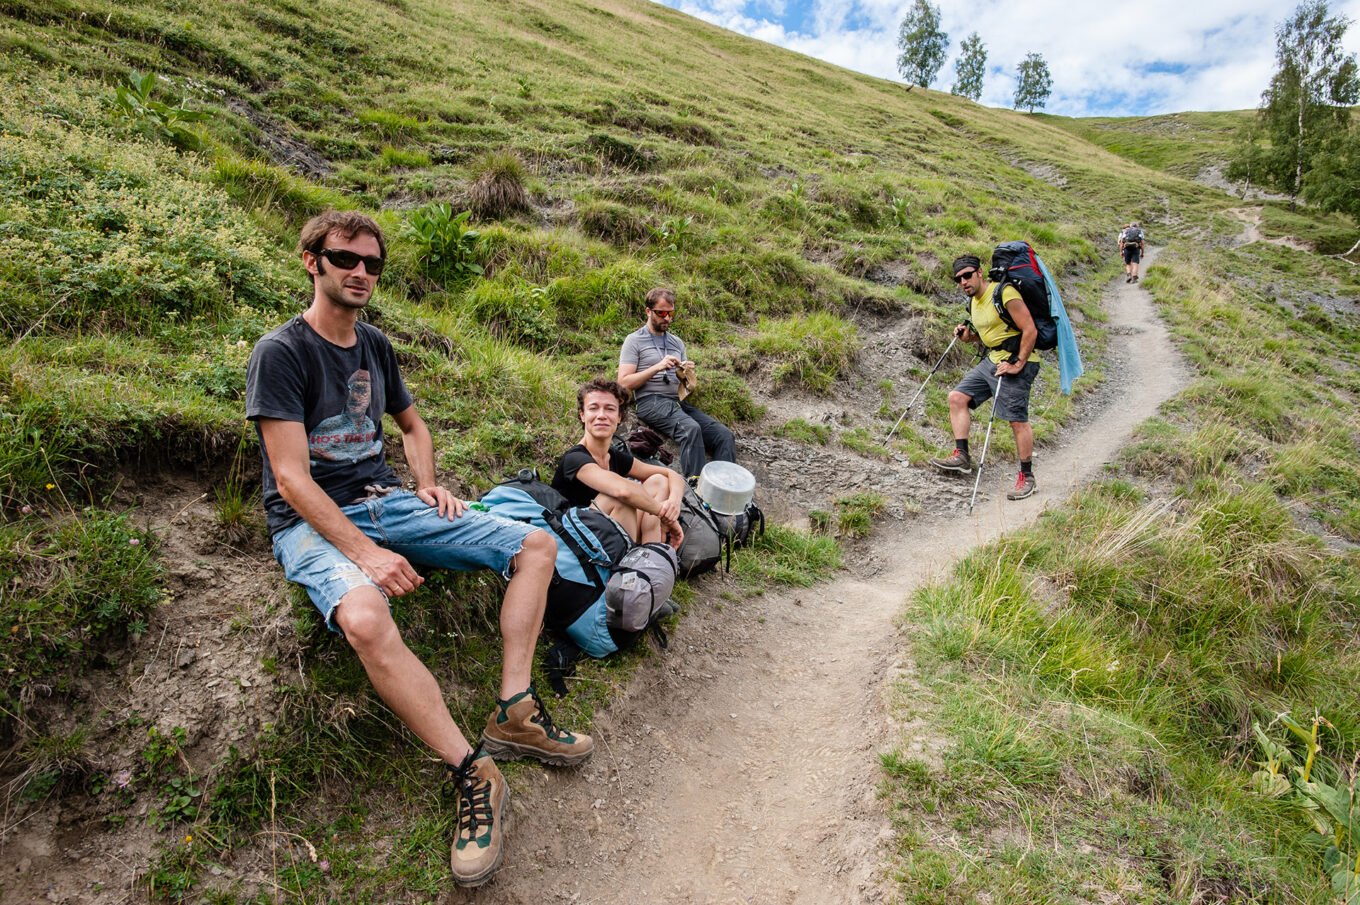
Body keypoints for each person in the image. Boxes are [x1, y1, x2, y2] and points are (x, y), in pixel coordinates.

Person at [245, 211, 591, 888]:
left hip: (387, 499)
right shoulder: (280, 352)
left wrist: (428, 484)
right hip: (309, 520)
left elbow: (412, 423)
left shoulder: (373, 344)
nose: (361, 273)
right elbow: (290, 477)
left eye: (373, 264)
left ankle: (514, 711)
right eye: (346, 258)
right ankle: (473, 771)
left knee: (536, 542)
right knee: (368, 618)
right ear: (311, 261)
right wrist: (365, 554)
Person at [927, 254, 1042, 501]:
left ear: (980, 272)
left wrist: (1018, 363)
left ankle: (1027, 477)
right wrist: (969, 337)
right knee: (957, 397)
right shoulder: (974, 303)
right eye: (958, 279)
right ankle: (962, 456)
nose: (963, 281)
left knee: (1016, 420)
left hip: (1017, 362)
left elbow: (1029, 329)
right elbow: (990, 335)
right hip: (993, 360)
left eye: (967, 275)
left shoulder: (1005, 293)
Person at [553, 378, 686, 549]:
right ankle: (630, 566)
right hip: (577, 542)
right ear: (582, 415)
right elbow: (622, 491)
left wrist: (673, 505)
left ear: (619, 417)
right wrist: (665, 515)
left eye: (610, 409)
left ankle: (652, 556)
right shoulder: (575, 458)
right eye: (593, 408)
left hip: (610, 535)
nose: (601, 415)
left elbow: (671, 474)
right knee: (621, 498)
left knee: (658, 480)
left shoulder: (614, 456)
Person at [618, 287, 736, 480]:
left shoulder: (677, 343)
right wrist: (658, 367)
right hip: (650, 401)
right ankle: (695, 487)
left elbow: (684, 386)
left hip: (677, 402)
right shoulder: (634, 340)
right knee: (690, 429)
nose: (667, 318)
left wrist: (686, 373)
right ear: (648, 311)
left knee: (724, 435)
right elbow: (623, 383)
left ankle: (724, 487)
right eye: (661, 313)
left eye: (671, 313)